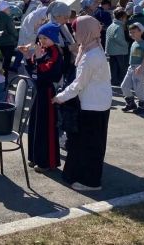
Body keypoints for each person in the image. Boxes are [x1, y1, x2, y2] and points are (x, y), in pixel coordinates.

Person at [53, 16, 112, 191]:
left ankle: (90, 182)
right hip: (98, 103)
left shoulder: (91, 55)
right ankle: (86, 176)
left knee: (89, 145)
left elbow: (79, 83)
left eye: (75, 30)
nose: (73, 33)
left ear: (85, 31)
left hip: (92, 106)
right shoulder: (92, 48)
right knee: (90, 143)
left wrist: (59, 97)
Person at [20, 23, 62, 173]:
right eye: (40, 37)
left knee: (46, 128)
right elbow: (33, 71)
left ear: (53, 38)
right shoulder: (42, 50)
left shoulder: (55, 52)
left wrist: (37, 60)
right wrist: (27, 56)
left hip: (47, 92)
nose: (42, 41)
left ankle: (47, 162)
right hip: (37, 91)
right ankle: (35, 157)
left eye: (45, 38)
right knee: (35, 125)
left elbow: (48, 73)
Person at [121, 23, 144, 114]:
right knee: (124, 86)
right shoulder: (134, 43)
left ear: (140, 32)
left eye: (133, 32)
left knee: (138, 88)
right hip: (131, 68)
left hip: (139, 68)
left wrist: (141, 66)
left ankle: (142, 107)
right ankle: (131, 104)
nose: (131, 34)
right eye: (130, 32)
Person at [0, 0, 19, 76]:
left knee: (0, 61)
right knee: (6, 63)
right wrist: (17, 37)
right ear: (4, 9)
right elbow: (12, 31)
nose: (9, 10)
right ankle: (4, 80)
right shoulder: (7, 18)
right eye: (8, 8)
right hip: (8, 42)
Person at [105, 8, 130, 87]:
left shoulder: (111, 25)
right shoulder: (119, 27)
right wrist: (126, 44)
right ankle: (122, 81)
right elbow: (118, 38)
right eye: (125, 18)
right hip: (120, 51)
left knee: (113, 67)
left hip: (111, 50)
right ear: (122, 17)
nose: (126, 20)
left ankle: (114, 80)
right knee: (122, 67)